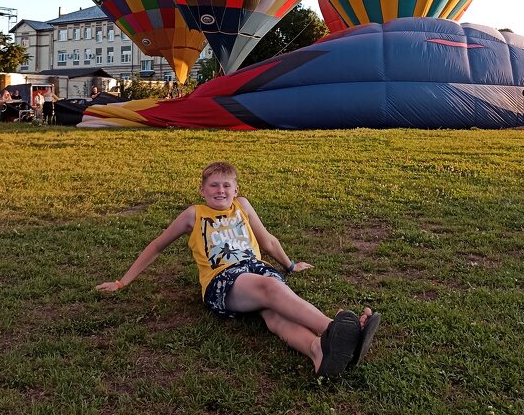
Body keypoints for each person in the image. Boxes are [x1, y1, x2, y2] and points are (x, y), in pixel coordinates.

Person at [96, 161, 380, 377]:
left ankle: (318, 352)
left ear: (236, 190)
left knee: (273, 312)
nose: (221, 191)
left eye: (226, 186)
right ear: (202, 190)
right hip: (223, 280)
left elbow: (267, 240)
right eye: (214, 185)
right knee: (270, 288)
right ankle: (335, 329)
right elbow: (157, 245)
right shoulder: (194, 215)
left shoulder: (242, 206)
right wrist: (122, 282)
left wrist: (291, 265)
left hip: (257, 270)